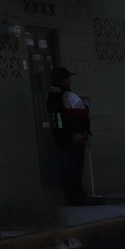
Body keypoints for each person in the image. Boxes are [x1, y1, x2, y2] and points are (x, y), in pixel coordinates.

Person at [46, 67, 92, 204]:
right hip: (74, 136)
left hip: (60, 135)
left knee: (66, 167)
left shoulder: (51, 94)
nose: (70, 80)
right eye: (68, 78)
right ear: (63, 80)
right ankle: (77, 196)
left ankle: (69, 196)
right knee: (75, 168)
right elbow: (82, 113)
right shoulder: (68, 95)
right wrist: (86, 102)